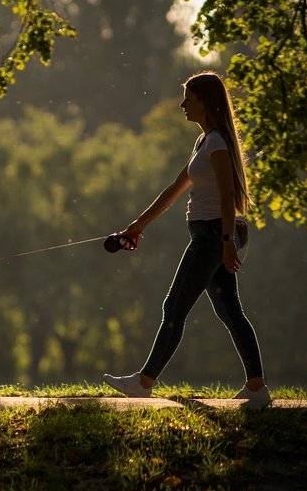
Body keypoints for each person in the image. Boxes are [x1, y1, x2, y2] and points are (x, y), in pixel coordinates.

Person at [102, 71, 270, 403]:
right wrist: (138, 225)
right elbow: (175, 189)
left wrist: (225, 243)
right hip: (210, 234)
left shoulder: (218, 144)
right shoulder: (205, 142)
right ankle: (256, 388)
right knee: (230, 312)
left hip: (211, 237)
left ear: (205, 103)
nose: (182, 105)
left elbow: (227, 197)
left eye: (188, 99)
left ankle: (144, 383)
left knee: (174, 307)